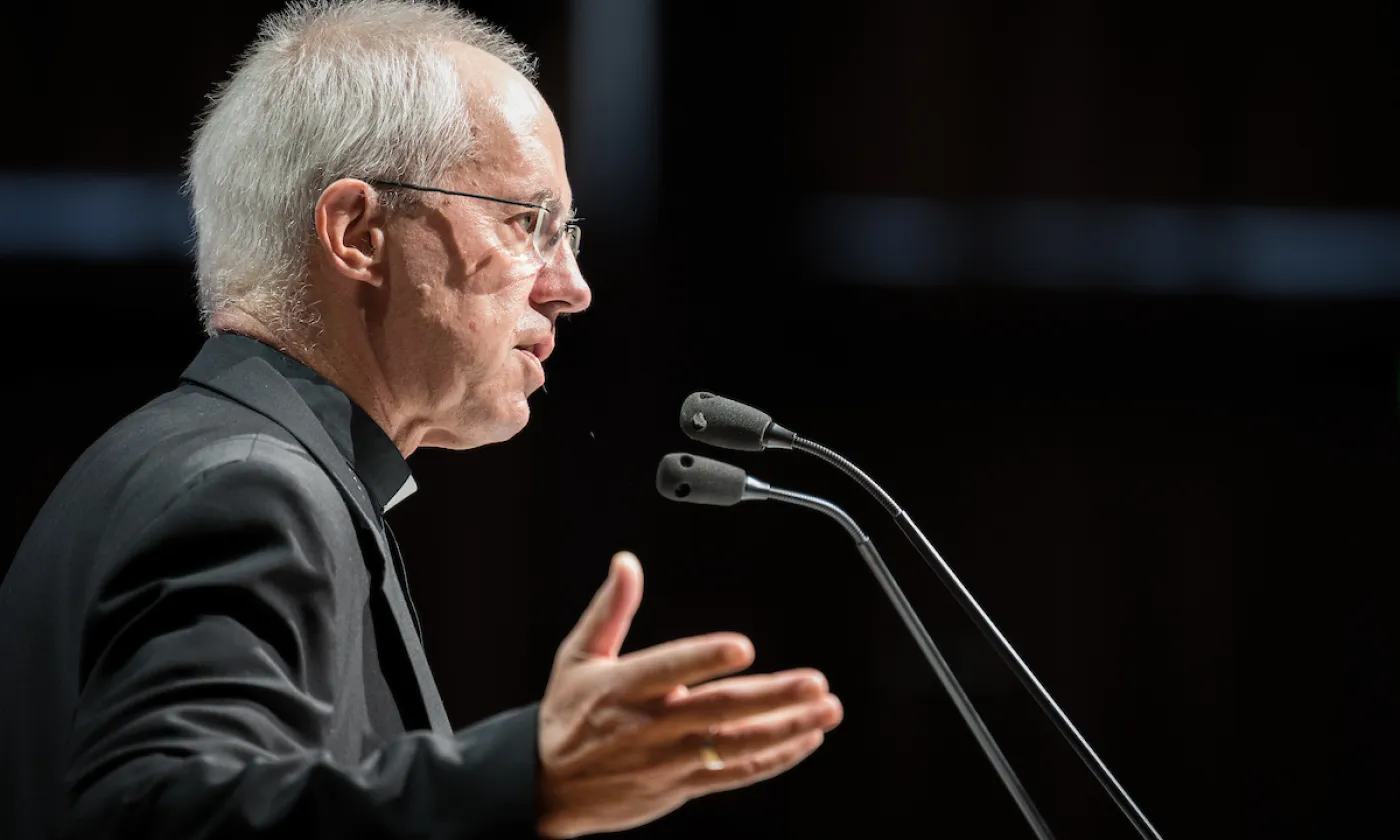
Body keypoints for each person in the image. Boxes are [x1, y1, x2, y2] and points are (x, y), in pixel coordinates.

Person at [0, 1, 843, 837]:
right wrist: (526, 777)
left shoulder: (194, 461)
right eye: (527, 222)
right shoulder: (249, 490)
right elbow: (165, 816)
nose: (572, 286)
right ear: (358, 233)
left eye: (571, 231)